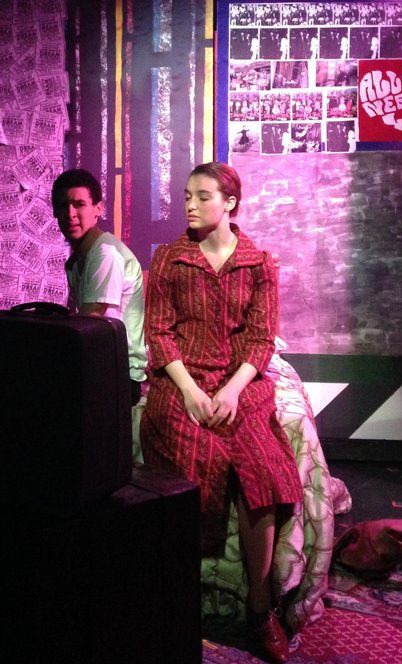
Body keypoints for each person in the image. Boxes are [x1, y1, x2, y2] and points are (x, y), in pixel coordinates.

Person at [140, 162, 303, 664]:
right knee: (194, 453)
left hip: (239, 382)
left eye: (202, 196)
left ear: (230, 203)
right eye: (187, 196)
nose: (190, 205)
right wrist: (190, 391)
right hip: (181, 379)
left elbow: (260, 338)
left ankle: (261, 607)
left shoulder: (259, 264)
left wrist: (232, 391)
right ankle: (174, 600)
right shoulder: (169, 259)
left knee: (261, 465)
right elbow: (159, 332)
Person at [51, 168, 147, 408]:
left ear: (98, 209)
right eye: (63, 206)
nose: (70, 214)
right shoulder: (75, 262)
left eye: (79, 204)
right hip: (100, 365)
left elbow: (89, 323)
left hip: (120, 374)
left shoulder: (105, 254)